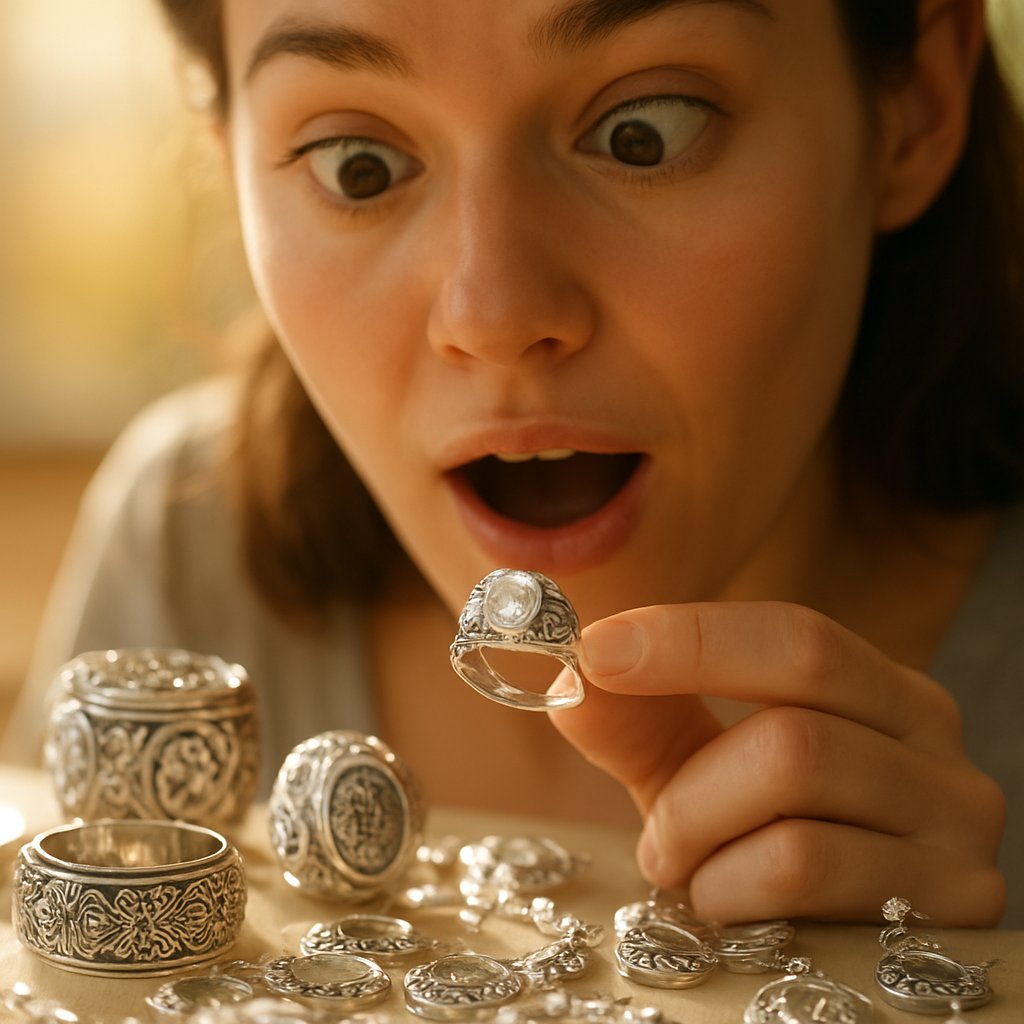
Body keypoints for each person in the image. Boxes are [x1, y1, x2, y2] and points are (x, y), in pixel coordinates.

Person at [4, 0, 1023, 929]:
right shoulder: (183, 541)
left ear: (916, 104)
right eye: (358, 166)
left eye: (645, 131)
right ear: (229, 160)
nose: (492, 314)